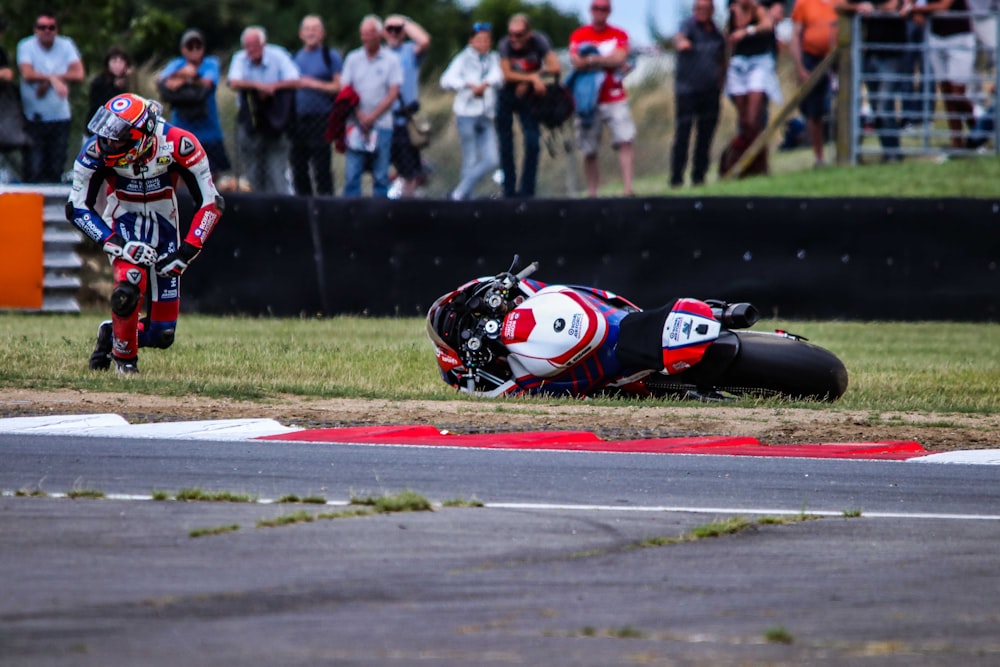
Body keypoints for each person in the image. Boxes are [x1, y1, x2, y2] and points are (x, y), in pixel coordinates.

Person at [66, 93, 224, 375]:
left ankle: (111, 332)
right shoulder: (94, 151)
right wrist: (114, 243)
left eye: (118, 136)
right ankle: (125, 363)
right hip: (122, 222)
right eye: (106, 132)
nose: (108, 142)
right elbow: (76, 207)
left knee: (162, 335)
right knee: (129, 284)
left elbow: (212, 203)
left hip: (166, 229)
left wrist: (185, 252)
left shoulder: (180, 144)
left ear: (143, 135)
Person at [569, 0, 637, 197]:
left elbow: (620, 58)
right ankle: (592, 194)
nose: (600, 12)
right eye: (597, 8)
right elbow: (576, 62)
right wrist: (607, 61)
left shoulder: (619, 34)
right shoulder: (579, 35)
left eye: (604, 8)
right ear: (591, 10)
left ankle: (628, 189)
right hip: (588, 100)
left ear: (609, 11)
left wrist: (592, 59)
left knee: (625, 139)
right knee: (589, 148)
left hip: (614, 96)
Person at [226, 25, 300, 193]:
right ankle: (258, 212)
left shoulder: (278, 55)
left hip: (276, 124)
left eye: (255, 45)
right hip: (250, 123)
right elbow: (233, 82)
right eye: (248, 46)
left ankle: (281, 211)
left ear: (263, 43)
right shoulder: (240, 58)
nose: (252, 50)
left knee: (277, 173)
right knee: (253, 174)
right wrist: (258, 87)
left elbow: (295, 80)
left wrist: (273, 87)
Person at [496, 14, 561, 198]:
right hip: (507, 94)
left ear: (529, 33)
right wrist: (531, 78)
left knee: (533, 142)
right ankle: (508, 190)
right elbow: (507, 74)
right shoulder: (504, 44)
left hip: (530, 97)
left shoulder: (540, 41)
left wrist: (534, 77)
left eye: (519, 34)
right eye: (511, 35)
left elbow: (555, 67)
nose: (514, 39)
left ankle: (527, 191)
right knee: (506, 144)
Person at [16, 12, 85, 183]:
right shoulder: (26, 46)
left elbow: (79, 73)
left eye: (51, 27)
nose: (47, 31)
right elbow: (27, 74)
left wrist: (49, 82)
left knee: (56, 167)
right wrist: (54, 79)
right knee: (34, 167)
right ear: (35, 30)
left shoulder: (66, 44)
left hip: (60, 116)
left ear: (56, 30)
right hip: (33, 117)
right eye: (42, 27)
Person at [836, 0, 908, 161]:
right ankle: (890, 152)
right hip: (871, 56)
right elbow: (839, 5)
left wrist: (873, 8)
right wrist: (857, 6)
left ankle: (893, 152)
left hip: (892, 56)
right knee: (877, 107)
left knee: (884, 105)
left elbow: (895, 6)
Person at [440, 22, 504, 200]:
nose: (484, 44)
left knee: (492, 159)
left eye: (487, 40)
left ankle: (459, 192)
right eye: (480, 40)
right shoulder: (463, 59)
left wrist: (485, 84)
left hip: (486, 115)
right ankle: (465, 197)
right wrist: (467, 86)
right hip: (466, 114)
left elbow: (499, 77)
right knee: (470, 158)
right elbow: (446, 80)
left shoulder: (493, 58)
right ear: (472, 41)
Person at [341, 15, 402, 197]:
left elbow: (393, 93)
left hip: (382, 124)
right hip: (355, 124)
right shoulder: (353, 58)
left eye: (370, 33)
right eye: (364, 34)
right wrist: (360, 115)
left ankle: (381, 216)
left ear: (380, 34)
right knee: (352, 174)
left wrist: (372, 116)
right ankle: (350, 214)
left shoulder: (391, 60)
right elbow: (345, 89)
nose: (367, 38)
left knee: (381, 175)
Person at [157, 29, 231, 178]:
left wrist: (183, 79)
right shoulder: (176, 63)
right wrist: (187, 76)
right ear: (183, 49)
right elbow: (161, 82)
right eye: (190, 47)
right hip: (182, 129)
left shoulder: (211, 63)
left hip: (209, 130)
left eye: (199, 46)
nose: (195, 50)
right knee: (182, 171)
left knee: (210, 173)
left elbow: (208, 83)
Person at [904, 0, 977, 148]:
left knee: (957, 94)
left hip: (960, 38)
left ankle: (978, 131)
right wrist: (916, 9)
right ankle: (957, 142)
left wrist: (916, 9)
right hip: (936, 37)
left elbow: (944, 6)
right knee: (947, 92)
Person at [670, 0, 726, 188]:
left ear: (712, 10)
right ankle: (676, 178)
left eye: (705, 8)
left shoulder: (717, 34)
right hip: (687, 91)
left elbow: (722, 59)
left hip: (710, 91)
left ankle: (699, 177)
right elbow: (678, 38)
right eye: (698, 8)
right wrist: (681, 42)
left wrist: (721, 82)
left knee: (705, 136)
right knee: (683, 134)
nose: (701, 12)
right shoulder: (688, 26)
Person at [722, 0, 778, 177]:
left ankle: (759, 163)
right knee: (745, 122)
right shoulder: (733, 10)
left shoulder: (758, 9)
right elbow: (730, 36)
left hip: (759, 64)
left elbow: (768, 25)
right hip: (738, 66)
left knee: (754, 120)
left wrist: (748, 31)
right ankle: (743, 163)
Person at [291, 15, 342, 196]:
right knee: (299, 167)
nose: (311, 32)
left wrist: (313, 84)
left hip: (321, 119)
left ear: (322, 33)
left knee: (321, 168)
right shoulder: (295, 57)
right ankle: (302, 207)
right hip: (298, 119)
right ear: (301, 34)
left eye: (315, 29)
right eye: (307, 29)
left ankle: (326, 206)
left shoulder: (330, 56)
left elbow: (339, 86)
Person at [383, 14, 431, 198]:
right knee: (381, 166)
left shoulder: (410, 51)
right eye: (390, 29)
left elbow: (425, 40)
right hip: (384, 119)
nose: (394, 33)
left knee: (409, 170)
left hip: (406, 120)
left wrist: (403, 22)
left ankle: (406, 203)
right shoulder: (380, 54)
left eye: (398, 30)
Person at [790, 0, 838, 167]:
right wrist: (800, 68)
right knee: (814, 110)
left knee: (843, 106)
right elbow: (795, 36)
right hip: (812, 57)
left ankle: (845, 153)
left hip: (839, 56)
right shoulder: (803, 3)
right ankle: (819, 157)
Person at [87, 46, 132, 128]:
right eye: (114, 61)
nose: (118, 65)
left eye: (121, 61)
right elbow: (100, 106)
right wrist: (114, 86)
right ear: (108, 63)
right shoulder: (99, 82)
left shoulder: (130, 82)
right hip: (98, 126)